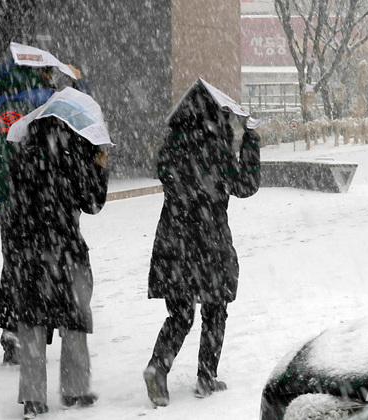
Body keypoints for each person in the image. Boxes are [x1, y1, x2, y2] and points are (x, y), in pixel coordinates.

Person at [143, 85, 261, 407]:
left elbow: (167, 177)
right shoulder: (217, 149)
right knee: (215, 306)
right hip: (208, 240)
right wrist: (249, 139)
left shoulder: (171, 145)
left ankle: (158, 366)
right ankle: (206, 376)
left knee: (180, 313)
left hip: (173, 238)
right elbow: (247, 185)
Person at [0, 45, 92, 365]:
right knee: (42, 264)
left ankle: (12, 327)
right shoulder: (48, 102)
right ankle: (36, 326)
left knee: (13, 262)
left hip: (7, 202)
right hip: (42, 198)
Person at [8, 116, 108, 418]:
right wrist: (99, 166)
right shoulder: (74, 156)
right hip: (68, 250)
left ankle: (33, 398)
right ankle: (74, 388)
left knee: (33, 325)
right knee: (75, 319)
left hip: (32, 253)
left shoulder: (23, 157)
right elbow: (93, 203)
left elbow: (13, 208)